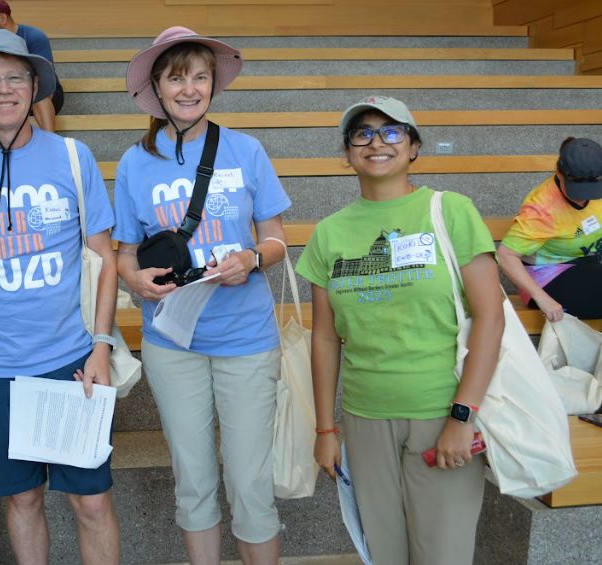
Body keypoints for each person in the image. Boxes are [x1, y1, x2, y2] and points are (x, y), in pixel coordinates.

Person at [0, 30, 120, 564]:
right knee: (22, 498)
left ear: (35, 86)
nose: (3, 89)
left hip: (73, 361)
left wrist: (101, 347)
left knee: (92, 502)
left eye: (15, 77)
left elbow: (104, 259)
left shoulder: (74, 158)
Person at [295, 96, 504, 565]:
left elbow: (491, 317)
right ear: (347, 152)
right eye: (363, 134)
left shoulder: (450, 211)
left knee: (443, 555)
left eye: (392, 132)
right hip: (365, 418)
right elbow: (325, 338)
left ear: (414, 147)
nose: (377, 143)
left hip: (441, 412)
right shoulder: (329, 233)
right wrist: (326, 428)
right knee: (385, 554)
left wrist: (462, 417)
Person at [112, 27, 290, 565]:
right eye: (176, 78)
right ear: (156, 89)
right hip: (172, 342)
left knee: (251, 484)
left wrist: (252, 258)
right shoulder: (134, 162)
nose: (189, 89)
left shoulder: (246, 150)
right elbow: (123, 255)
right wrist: (134, 280)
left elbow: (277, 239)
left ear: (213, 84)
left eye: (199, 77)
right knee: (193, 481)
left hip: (247, 339)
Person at [498, 137, 602, 321]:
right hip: (547, 276)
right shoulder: (542, 209)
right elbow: (506, 255)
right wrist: (542, 298)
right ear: (559, 173)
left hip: (588, 264)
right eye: (577, 189)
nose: (583, 197)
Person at [0, 0, 64, 133]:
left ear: (3, 18)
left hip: (42, 92)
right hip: (8, 91)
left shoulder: (34, 36)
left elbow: (46, 74)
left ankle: (50, 142)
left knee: (38, 90)